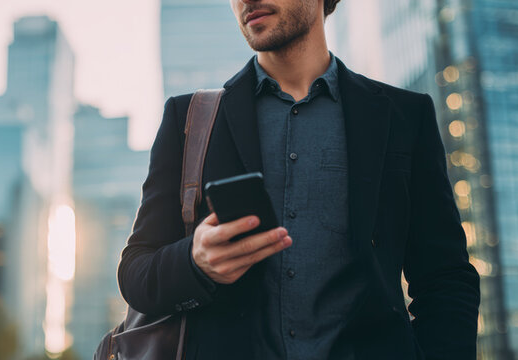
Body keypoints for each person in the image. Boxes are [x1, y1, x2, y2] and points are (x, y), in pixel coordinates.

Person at [116, 0, 480, 358]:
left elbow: (445, 278)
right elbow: (136, 272)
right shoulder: (189, 119)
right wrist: (194, 262)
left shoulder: (404, 116)